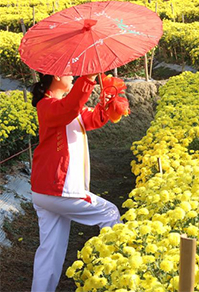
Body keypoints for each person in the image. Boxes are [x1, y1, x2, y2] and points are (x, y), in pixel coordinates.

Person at [30, 74, 121, 292]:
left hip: (48, 190)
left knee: (50, 253)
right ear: (57, 75)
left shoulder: (65, 106)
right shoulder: (48, 105)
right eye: (71, 72)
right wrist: (89, 78)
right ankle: (111, 274)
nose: (74, 76)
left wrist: (105, 101)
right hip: (59, 190)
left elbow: (92, 119)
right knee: (110, 213)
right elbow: (70, 108)